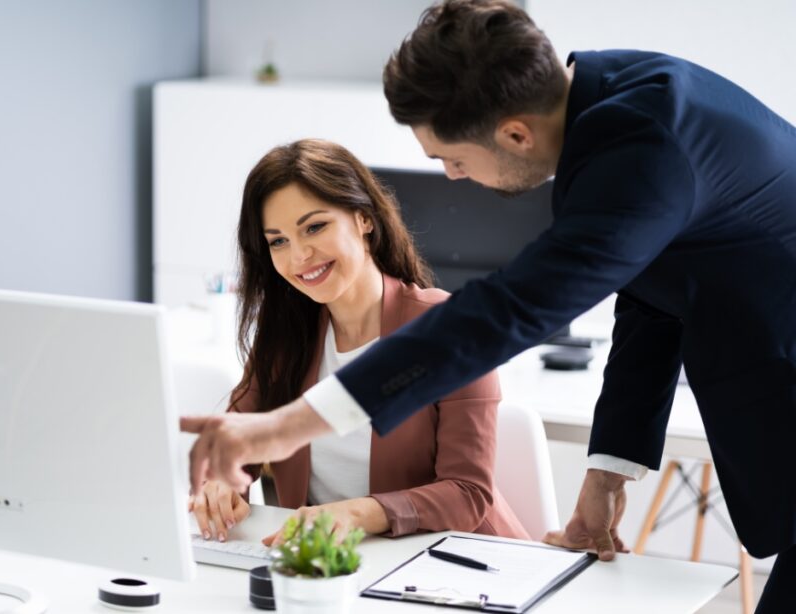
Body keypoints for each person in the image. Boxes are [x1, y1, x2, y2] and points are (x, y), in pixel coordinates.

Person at [181, 1, 796, 611]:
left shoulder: (643, 142)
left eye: (452, 158)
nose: (450, 176)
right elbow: (654, 299)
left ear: (515, 134)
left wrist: (287, 424)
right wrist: (607, 477)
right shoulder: (616, 103)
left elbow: (509, 311)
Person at [189, 138, 528, 545]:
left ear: (364, 218)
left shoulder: (450, 328)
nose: (299, 257)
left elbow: (468, 494)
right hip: (343, 569)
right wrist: (222, 485)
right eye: (278, 241)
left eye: (314, 227)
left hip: (458, 569)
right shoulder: (286, 335)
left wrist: (357, 513)